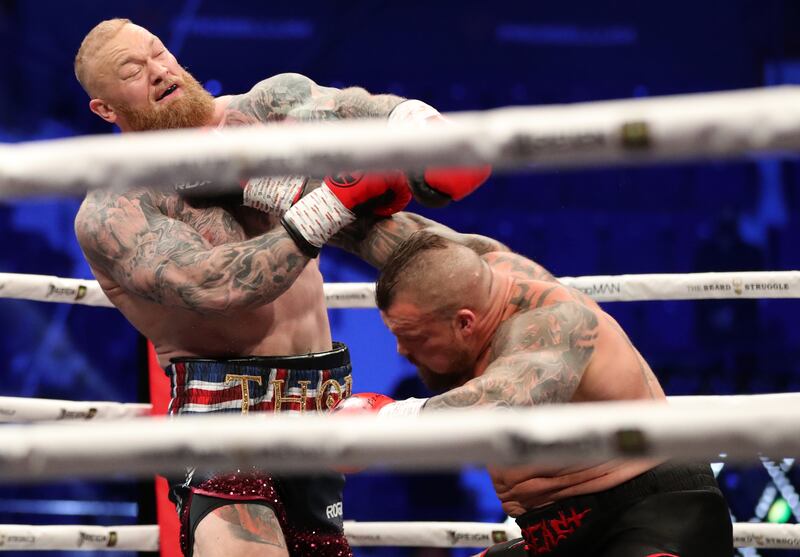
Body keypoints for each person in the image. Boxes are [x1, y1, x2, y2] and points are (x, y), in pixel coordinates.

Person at [71, 17, 489, 557]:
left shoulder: (261, 109)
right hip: (220, 408)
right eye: (132, 71)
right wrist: (327, 204)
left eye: (157, 52)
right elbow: (210, 287)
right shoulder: (115, 206)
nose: (157, 70)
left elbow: (346, 108)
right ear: (105, 109)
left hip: (318, 401)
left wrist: (417, 122)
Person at [339, 231, 733, 557]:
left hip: (652, 516)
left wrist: (387, 420)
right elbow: (399, 238)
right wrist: (318, 205)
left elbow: (501, 404)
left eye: (413, 338)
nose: (402, 353)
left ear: (464, 323)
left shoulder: (550, 325)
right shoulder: (474, 272)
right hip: (559, 535)